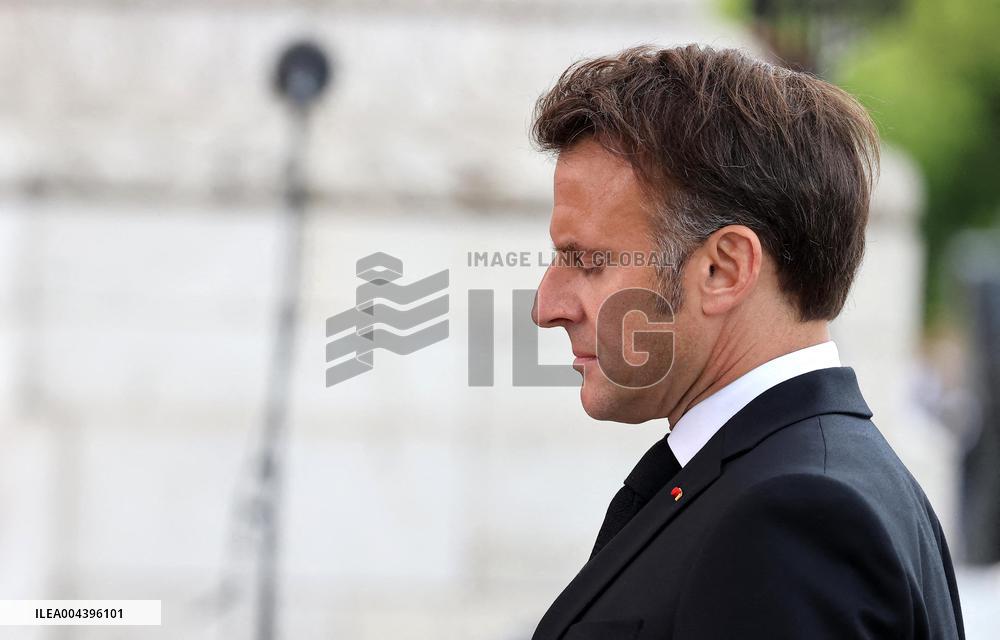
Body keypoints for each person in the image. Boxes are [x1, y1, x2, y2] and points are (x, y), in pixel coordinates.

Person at [528, 44, 965, 640]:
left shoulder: (795, 517)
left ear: (724, 269)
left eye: (589, 261)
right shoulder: (812, 480)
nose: (547, 307)